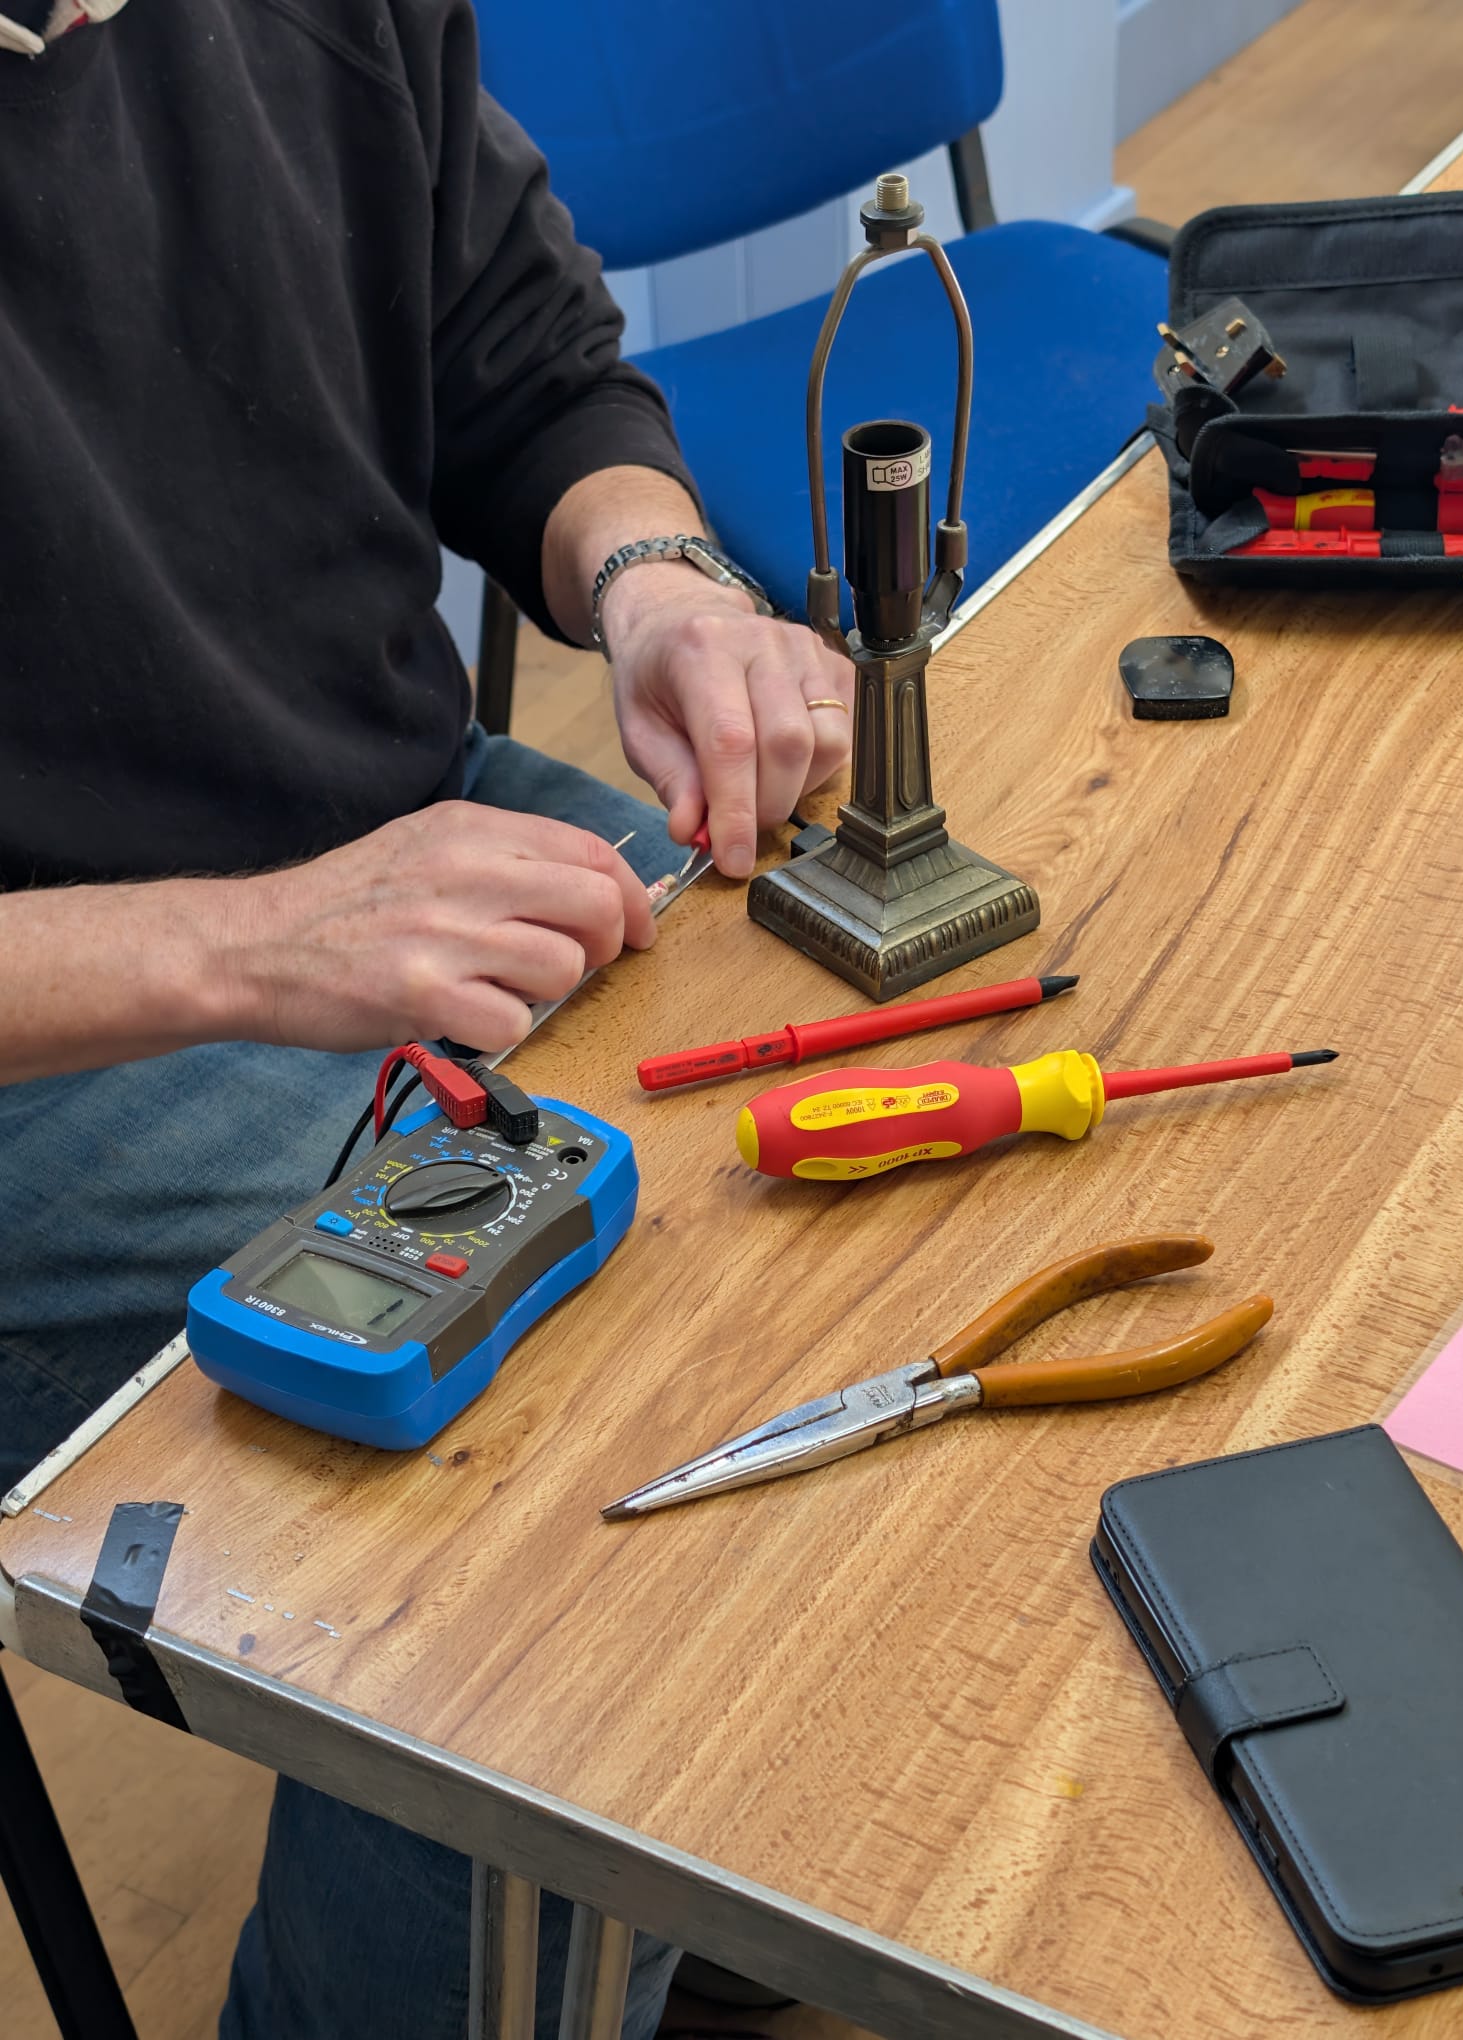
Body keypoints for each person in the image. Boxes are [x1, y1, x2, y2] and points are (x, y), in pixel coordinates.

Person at [0, 1, 852, 2033]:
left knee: (861, 1096)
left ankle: (678, 1894)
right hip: (56, 1024)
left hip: (377, 850)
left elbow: (519, 356)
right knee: (540, 1431)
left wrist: (659, 584)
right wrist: (251, 950)